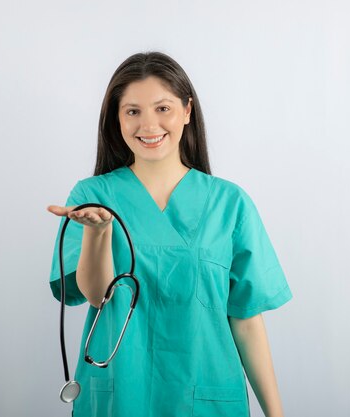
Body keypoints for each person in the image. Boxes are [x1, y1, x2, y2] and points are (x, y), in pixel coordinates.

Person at [47, 51, 292, 417]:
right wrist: (98, 234)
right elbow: (97, 296)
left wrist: (276, 413)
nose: (149, 125)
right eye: (133, 111)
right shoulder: (91, 197)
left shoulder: (229, 203)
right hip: (121, 395)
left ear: (187, 111)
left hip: (207, 394)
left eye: (163, 108)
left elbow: (244, 318)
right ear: (116, 119)